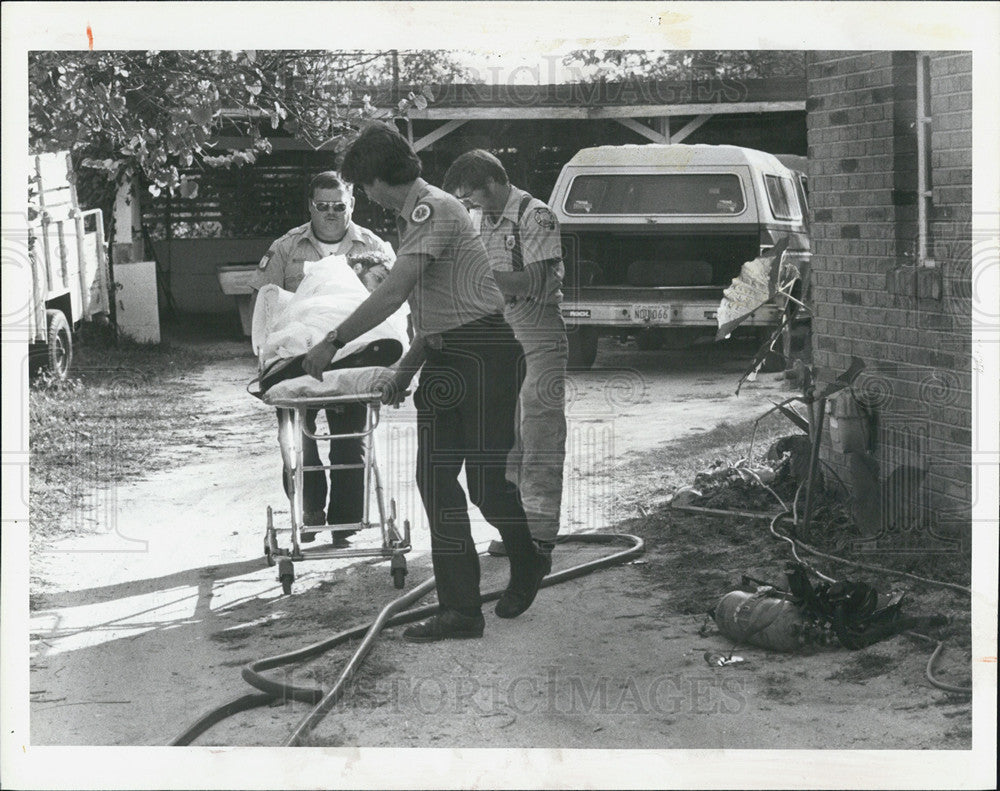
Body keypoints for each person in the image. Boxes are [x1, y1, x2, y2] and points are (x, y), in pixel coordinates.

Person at [303, 123, 548, 642]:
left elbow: (393, 295)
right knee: (434, 482)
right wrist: (405, 370)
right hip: (443, 358)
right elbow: (432, 313)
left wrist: (332, 341)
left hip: (485, 355)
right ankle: (461, 611)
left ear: (376, 180)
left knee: (484, 485)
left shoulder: (432, 209)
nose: (366, 198)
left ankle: (528, 559)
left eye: (364, 187)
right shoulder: (418, 217)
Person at [250, 171, 395, 540]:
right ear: (310, 206)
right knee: (297, 438)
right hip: (298, 354)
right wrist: (267, 353)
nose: (331, 213)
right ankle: (310, 512)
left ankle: (345, 522)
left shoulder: (374, 247)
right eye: (322, 206)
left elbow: (394, 304)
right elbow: (264, 303)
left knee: (353, 436)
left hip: (352, 352)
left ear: (353, 205)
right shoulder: (286, 248)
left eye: (339, 206)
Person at [443, 150, 568, 566]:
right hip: (499, 328)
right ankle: (514, 529)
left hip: (537, 326)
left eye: (472, 195)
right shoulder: (480, 219)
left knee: (540, 427)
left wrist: (475, 279)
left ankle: (541, 530)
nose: (471, 204)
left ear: (493, 184)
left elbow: (533, 281)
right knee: (505, 434)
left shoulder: (536, 216)